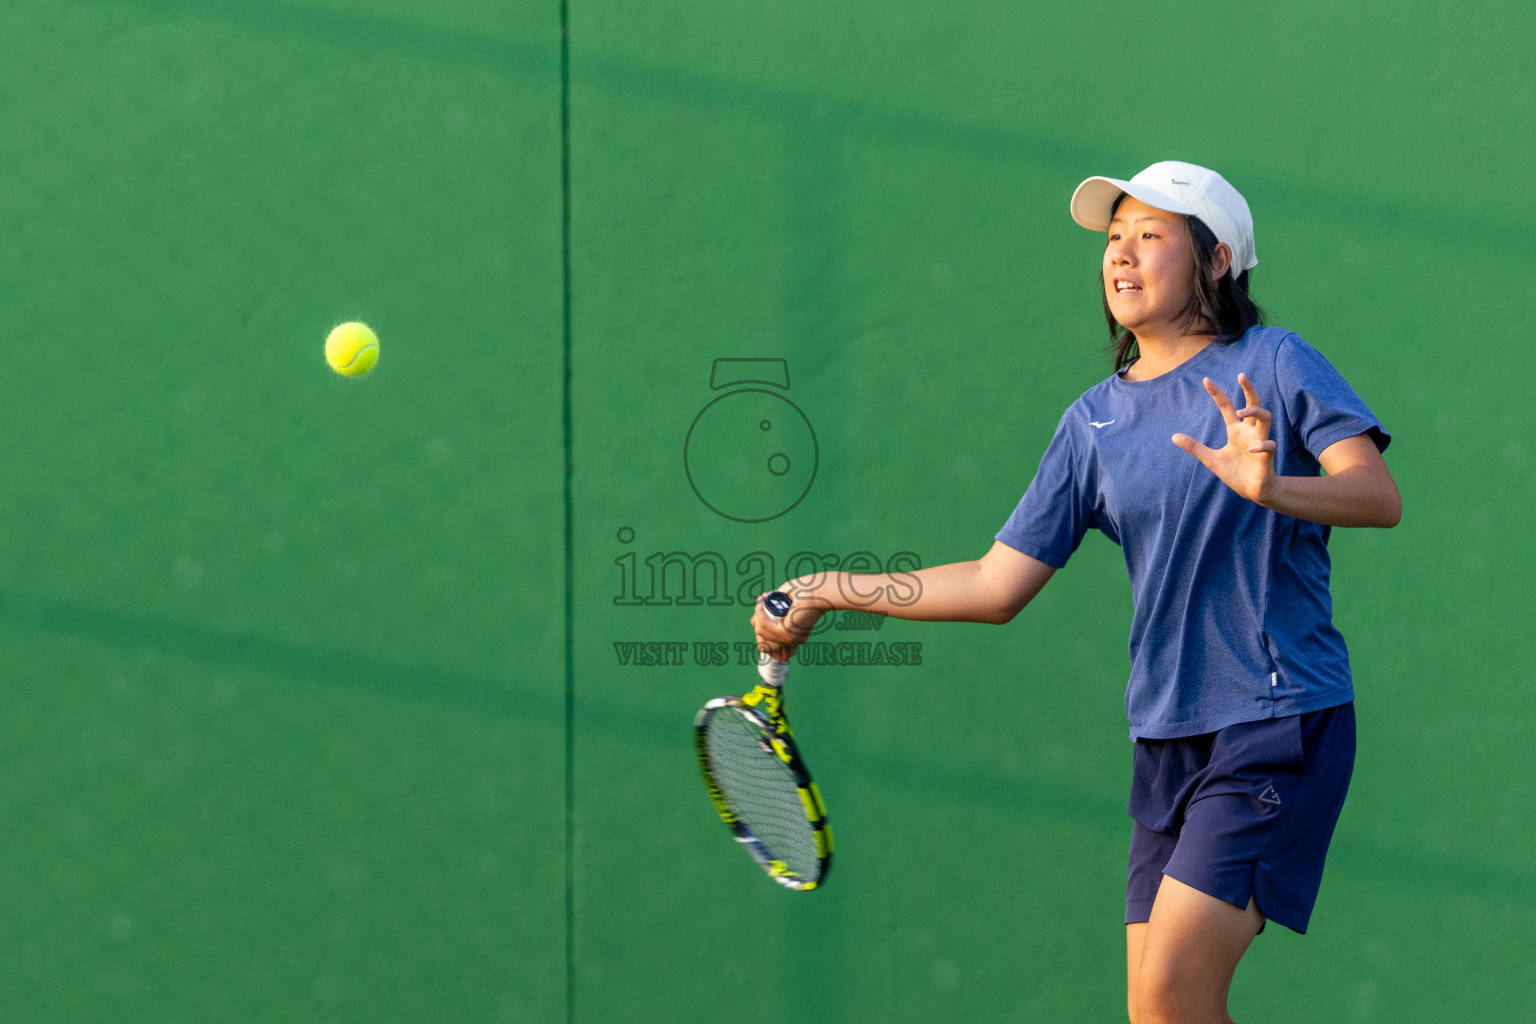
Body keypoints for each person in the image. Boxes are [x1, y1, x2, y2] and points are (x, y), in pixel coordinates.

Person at [750, 161, 1401, 1024]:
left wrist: (1272, 486)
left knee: (1174, 990)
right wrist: (829, 588)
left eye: (1151, 236)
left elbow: (1376, 497)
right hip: (1166, 737)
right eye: (1113, 239)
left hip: (1277, 722)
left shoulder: (1274, 363)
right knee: (1152, 1011)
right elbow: (994, 583)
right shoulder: (1092, 422)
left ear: (1217, 262)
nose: (1121, 256)